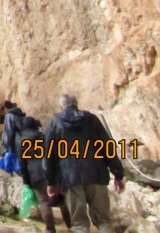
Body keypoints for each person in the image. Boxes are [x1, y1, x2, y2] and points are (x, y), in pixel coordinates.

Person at [44, 93, 125, 233]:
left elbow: (49, 156)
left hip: (70, 179)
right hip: (97, 175)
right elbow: (107, 147)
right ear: (77, 103)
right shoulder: (92, 120)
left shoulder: (54, 123)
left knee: (79, 225)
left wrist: (51, 182)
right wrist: (118, 174)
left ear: (61, 106)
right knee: (104, 221)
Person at [19, 116, 71, 233]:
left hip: (36, 174)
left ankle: (50, 229)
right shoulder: (44, 136)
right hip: (51, 171)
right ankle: (71, 225)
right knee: (61, 199)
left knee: (43, 201)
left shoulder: (23, 141)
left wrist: (26, 181)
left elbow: (22, 164)